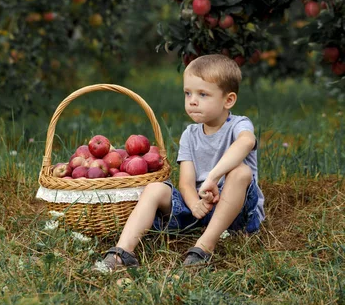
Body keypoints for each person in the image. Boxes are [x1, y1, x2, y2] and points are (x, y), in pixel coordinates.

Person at [100, 54, 265, 269]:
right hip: (198, 206)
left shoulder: (239, 125)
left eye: (203, 94)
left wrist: (214, 177)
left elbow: (246, 142)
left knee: (241, 172)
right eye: (188, 93)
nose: (192, 100)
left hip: (235, 211)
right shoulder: (190, 134)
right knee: (155, 188)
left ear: (228, 100)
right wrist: (194, 203)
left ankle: (204, 248)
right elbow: (186, 182)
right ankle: (122, 253)